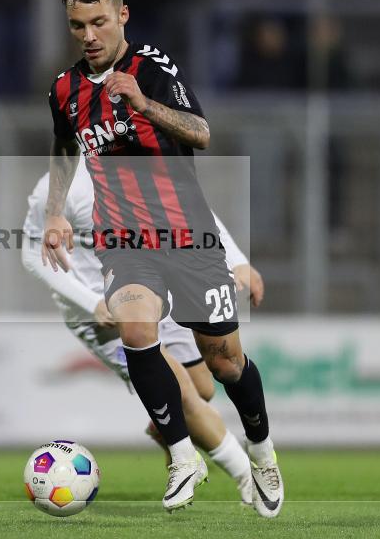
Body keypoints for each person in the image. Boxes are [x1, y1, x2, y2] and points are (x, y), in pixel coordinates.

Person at [41, 0, 283, 515]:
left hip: (187, 236)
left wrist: (144, 104)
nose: (89, 35)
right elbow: (64, 146)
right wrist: (56, 213)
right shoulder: (64, 89)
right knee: (135, 329)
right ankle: (181, 456)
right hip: (124, 239)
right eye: (78, 25)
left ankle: (262, 450)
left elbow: (202, 131)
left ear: (122, 15)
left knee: (224, 364)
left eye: (99, 22)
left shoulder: (151, 68)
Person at [22, 165, 266, 505]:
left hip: (154, 290)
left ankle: (166, 430)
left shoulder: (139, 166)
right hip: (99, 316)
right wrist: (91, 303)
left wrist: (237, 260)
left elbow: (195, 212)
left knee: (203, 389)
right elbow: (31, 252)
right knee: (184, 394)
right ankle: (248, 480)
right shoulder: (59, 188)